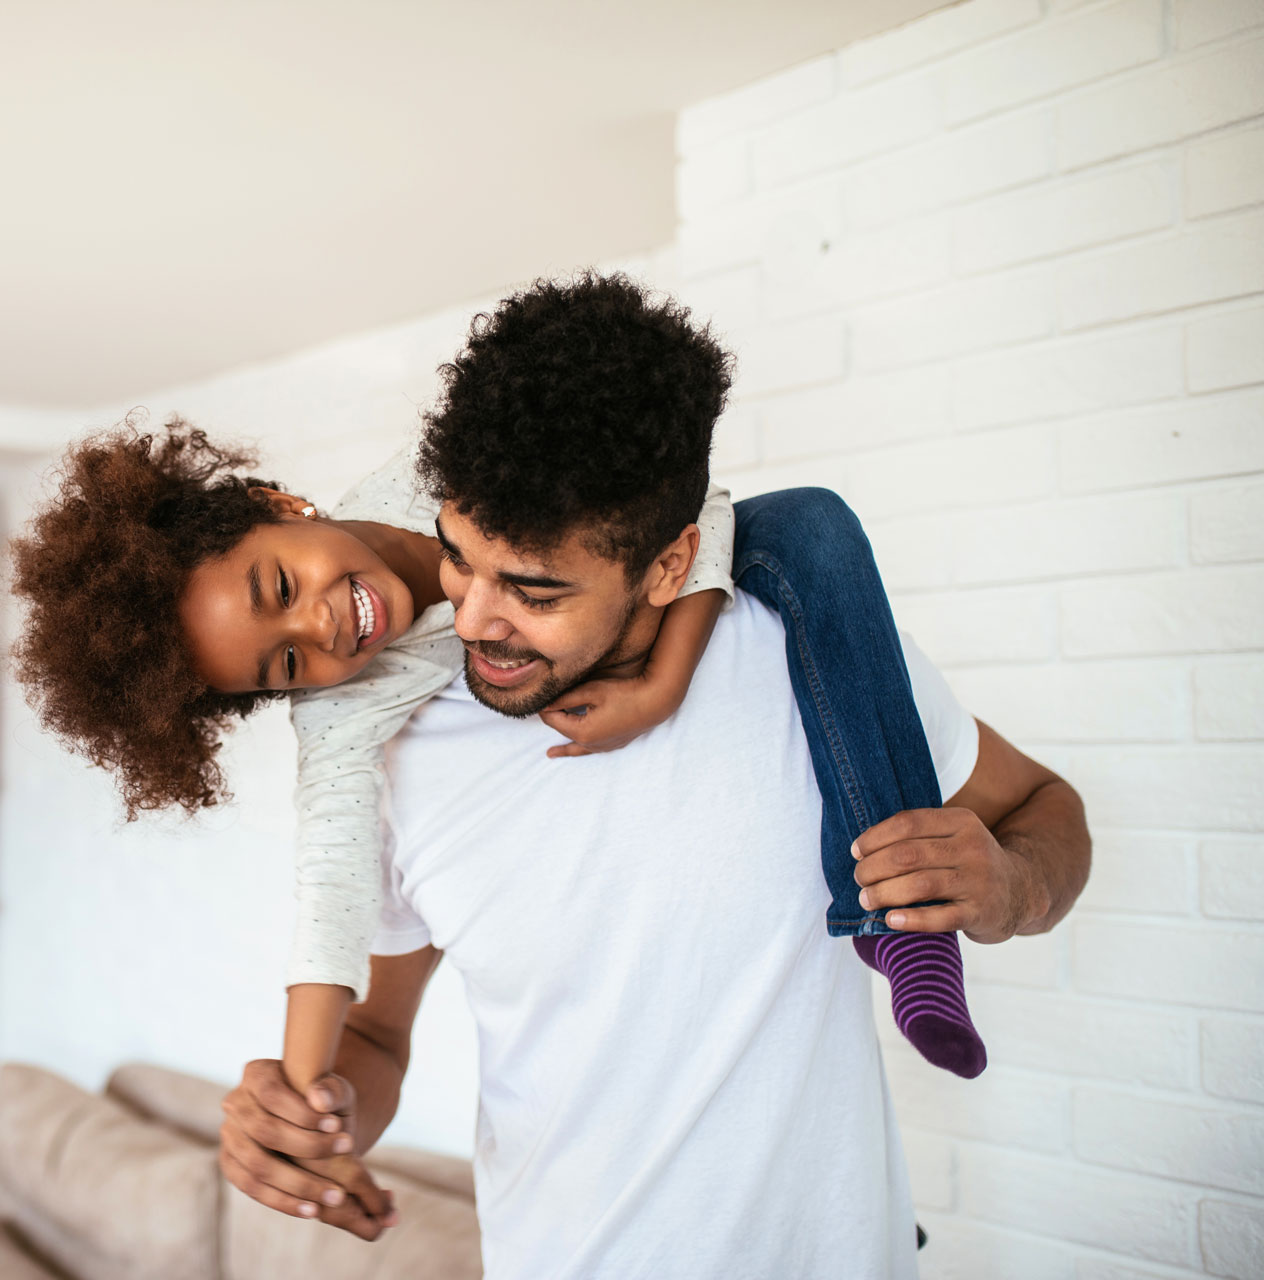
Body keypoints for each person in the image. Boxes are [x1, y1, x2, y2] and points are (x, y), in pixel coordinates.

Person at [214, 272, 1091, 1274]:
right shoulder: (390, 751)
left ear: (671, 565)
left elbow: (1045, 811)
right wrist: (310, 1113)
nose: (472, 620)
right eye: (461, 559)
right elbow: (375, 1030)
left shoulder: (797, 657)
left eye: (535, 591)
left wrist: (1006, 881)